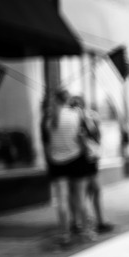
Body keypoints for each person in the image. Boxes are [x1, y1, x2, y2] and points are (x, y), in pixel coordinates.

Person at [40, 88, 91, 246]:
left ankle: (64, 234)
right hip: (77, 159)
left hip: (56, 162)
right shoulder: (76, 114)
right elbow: (84, 136)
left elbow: (46, 145)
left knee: (61, 200)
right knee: (81, 198)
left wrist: (50, 159)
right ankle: (85, 231)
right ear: (67, 99)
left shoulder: (47, 118)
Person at [70, 95, 114, 234]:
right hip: (80, 161)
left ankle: (98, 221)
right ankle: (80, 223)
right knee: (80, 193)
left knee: (95, 190)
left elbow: (97, 136)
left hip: (91, 161)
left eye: (79, 104)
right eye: (75, 105)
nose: (78, 107)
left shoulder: (90, 118)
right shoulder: (73, 120)